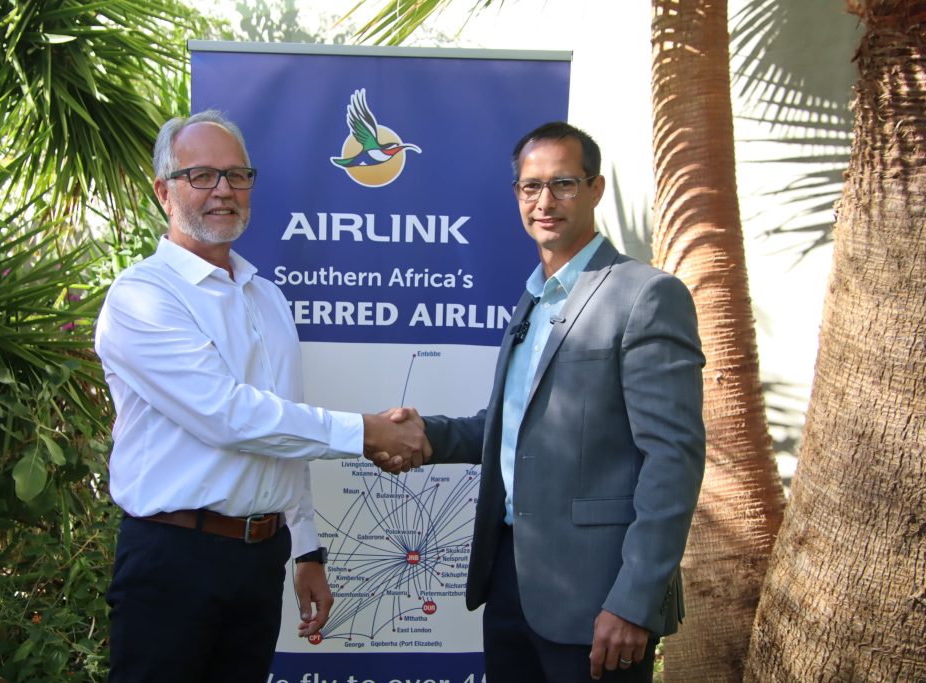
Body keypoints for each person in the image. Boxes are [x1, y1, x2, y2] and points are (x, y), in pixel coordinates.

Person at [94, 109, 429, 683]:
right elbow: (230, 417)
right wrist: (368, 431)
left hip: (259, 558)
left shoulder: (265, 297)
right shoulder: (141, 298)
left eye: (237, 175)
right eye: (201, 175)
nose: (223, 190)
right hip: (174, 560)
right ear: (163, 192)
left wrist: (307, 549)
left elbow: (283, 435)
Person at [384, 121, 705, 682]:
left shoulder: (646, 295)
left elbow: (672, 459)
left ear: (595, 189)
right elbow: (511, 427)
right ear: (517, 194)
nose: (545, 202)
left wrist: (634, 600)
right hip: (511, 581)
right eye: (531, 187)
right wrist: (424, 435)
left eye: (564, 184)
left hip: (599, 599)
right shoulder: (534, 297)